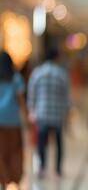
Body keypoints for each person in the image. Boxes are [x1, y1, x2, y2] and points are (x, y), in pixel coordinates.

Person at [27, 46, 72, 178]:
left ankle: (42, 167)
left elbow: (31, 92)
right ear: (56, 58)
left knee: (41, 141)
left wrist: (31, 109)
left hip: (42, 112)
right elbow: (67, 97)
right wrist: (67, 113)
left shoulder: (37, 72)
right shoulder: (62, 74)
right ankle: (58, 169)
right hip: (57, 113)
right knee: (58, 141)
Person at [0, 51, 26, 190]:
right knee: (15, 151)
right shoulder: (16, 78)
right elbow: (21, 99)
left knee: (1, 152)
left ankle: (3, 181)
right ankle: (14, 179)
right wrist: (25, 117)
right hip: (13, 121)